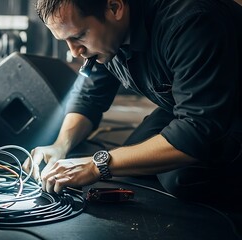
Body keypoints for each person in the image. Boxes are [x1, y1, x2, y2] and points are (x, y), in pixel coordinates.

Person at [22, 0, 242, 202]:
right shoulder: (107, 38)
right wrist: (60, 146)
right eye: (66, 40)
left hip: (229, 106)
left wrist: (96, 165)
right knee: (133, 155)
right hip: (190, 102)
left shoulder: (190, 22)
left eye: (78, 36)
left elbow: (195, 132)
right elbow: (89, 97)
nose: (75, 51)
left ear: (115, 7)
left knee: (179, 177)